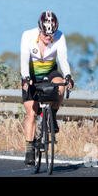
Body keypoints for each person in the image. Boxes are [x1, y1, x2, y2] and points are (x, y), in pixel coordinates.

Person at [20, 11, 74, 166]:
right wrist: (25, 78)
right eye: (46, 35)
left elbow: (63, 59)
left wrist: (68, 75)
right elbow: (24, 60)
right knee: (32, 113)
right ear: (40, 29)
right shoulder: (28, 36)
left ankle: (53, 116)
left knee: (61, 84)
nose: (49, 38)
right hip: (31, 74)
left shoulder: (59, 36)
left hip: (50, 72)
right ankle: (30, 149)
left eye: (52, 35)